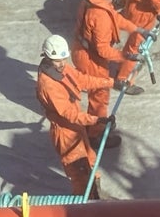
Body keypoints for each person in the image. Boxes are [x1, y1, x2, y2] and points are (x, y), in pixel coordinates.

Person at [36, 34, 124, 199]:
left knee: (91, 163)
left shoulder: (62, 68)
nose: (62, 64)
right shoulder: (47, 85)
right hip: (65, 134)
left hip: (77, 129)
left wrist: (111, 83)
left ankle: (96, 196)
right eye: (57, 60)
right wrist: (96, 120)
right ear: (47, 58)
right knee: (80, 175)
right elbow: (68, 114)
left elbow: (82, 80)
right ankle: (83, 204)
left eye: (63, 59)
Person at [71, 0, 150, 149]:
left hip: (81, 50)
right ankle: (95, 135)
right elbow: (103, 50)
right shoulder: (100, 15)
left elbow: (117, 19)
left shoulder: (92, 1)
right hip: (91, 59)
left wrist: (137, 29)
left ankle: (93, 126)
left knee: (96, 92)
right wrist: (126, 56)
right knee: (99, 96)